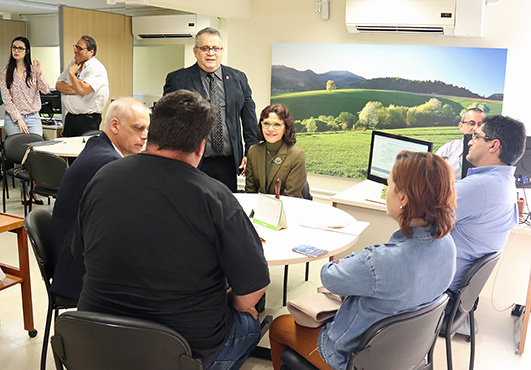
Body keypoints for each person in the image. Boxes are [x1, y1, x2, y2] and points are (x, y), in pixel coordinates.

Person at [72, 90, 270, 369]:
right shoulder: (216, 197)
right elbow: (252, 289)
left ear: (151, 134)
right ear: (201, 147)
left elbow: (82, 253)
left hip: (95, 341)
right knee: (249, 321)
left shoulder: (103, 178)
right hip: (179, 354)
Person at [269, 151, 457, 370]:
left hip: (351, 358)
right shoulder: (448, 246)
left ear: (403, 198)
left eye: (388, 187)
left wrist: (353, 262)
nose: (386, 194)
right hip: (403, 354)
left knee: (278, 326)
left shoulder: (380, 262)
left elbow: (329, 276)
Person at [49, 97, 150, 301]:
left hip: (69, 256)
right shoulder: (107, 162)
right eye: (138, 128)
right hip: (77, 271)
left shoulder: (97, 146)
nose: (145, 136)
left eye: (147, 129)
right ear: (114, 125)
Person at [163, 27, 258, 192]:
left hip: (228, 162)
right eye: (205, 48)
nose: (211, 53)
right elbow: (166, 121)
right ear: (195, 51)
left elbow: (249, 119)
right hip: (192, 160)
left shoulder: (238, 78)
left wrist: (251, 151)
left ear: (221, 51)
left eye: (216, 48)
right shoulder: (178, 80)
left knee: (224, 208)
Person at [449, 115, 526, 292]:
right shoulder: (503, 183)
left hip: (434, 290)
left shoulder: (479, 187)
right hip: (451, 293)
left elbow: (419, 217)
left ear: (493, 145)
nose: (470, 142)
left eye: (476, 137)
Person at [0, 36, 49, 204]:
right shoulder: (6, 71)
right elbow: (6, 99)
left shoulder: (32, 70)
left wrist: (39, 73)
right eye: (14, 47)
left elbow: (46, 90)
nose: (16, 51)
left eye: (20, 48)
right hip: (14, 119)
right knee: (19, 156)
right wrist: (18, 118)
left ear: (26, 51)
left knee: (35, 155)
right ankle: (23, 193)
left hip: (34, 118)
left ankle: (35, 190)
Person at [245, 104, 307, 197]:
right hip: (259, 208)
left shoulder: (297, 155)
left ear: (286, 128)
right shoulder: (253, 151)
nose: (270, 129)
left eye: (277, 125)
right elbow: (250, 191)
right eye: (266, 123)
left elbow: (291, 196)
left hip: (287, 208)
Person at [56, 35, 109, 137]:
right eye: (75, 47)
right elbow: (59, 85)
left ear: (91, 52)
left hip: (88, 120)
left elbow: (82, 90)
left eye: (79, 48)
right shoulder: (74, 64)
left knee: (83, 150)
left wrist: (72, 75)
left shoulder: (96, 68)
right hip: (71, 118)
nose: (75, 50)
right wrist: (79, 87)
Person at [436, 107, 485, 180]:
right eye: (471, 123)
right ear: (461, 126)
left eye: (480, 124)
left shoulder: (490, 155)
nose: (475, 128)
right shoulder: (446, 151)